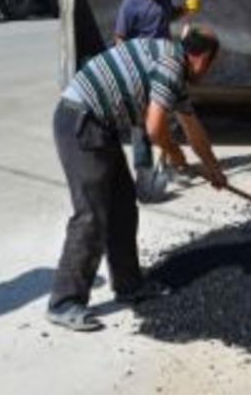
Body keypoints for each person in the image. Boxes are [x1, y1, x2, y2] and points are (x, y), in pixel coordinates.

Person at [47, 27, 226, 331]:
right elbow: (155, 128)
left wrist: (213, 169)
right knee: (92, 214)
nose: (208, 73)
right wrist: (173, 151)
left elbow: (193, 129)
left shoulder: (172, 63)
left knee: (122, 206)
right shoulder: (171, 66)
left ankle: (129, 284)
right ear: (202, 58)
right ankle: (64, 302)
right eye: (210, 65)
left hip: (98, 126)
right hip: (80, 121)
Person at [113, 0, 200, 202]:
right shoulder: (131, 3)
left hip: (163, 65)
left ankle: (172, 165)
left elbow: (166, 17)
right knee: (141, 126)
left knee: (168, 120)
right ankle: (144, 176)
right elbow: (120, 38)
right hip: (139, 68)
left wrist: (186, 9)